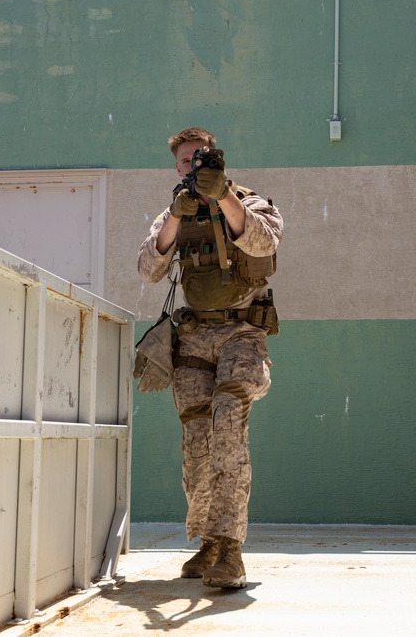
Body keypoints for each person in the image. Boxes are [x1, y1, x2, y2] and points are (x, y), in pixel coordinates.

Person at [136, 127, 282, 589]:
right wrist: (177, 217)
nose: (191, 165)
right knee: (197, 439)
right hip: (195, 336)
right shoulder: (173, 211)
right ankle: (208, 541)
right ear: (177, 167)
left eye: (199, 157)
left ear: (216, 157)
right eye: (184, 160)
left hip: (242, 331)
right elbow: (148, 267)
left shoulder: (250, 200)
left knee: (227, 421)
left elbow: (263, 243)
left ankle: (231, 549)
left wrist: (223, 198)